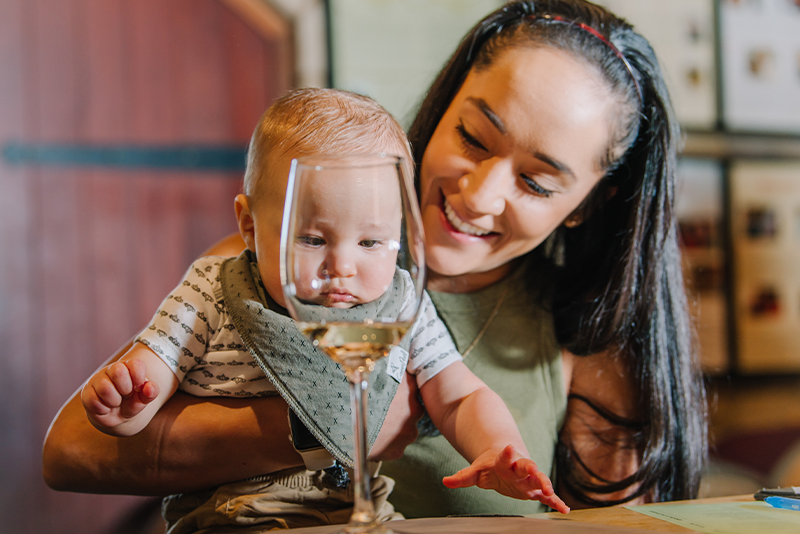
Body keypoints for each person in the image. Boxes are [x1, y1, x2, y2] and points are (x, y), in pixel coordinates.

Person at [43, 0, 707, 518]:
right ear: (443, 111)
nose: (478, 195)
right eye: (474, 138)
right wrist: (327, 421)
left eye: (537, 182)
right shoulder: (277, 262)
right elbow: (71, 452)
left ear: (590, 202)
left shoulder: (588, 336)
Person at [78, 87, 568, 531]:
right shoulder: (213, 288)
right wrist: (129, 399)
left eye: (372, 242)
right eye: (312, 239)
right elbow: (155, 367)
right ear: (249, 225)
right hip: (234, 515)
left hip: (362, 510)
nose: (342, 267)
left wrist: (498, 449)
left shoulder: (400, 302)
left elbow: (459, 395)